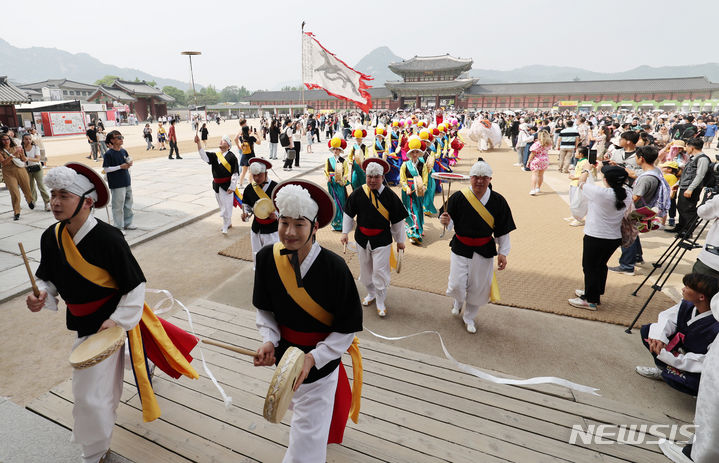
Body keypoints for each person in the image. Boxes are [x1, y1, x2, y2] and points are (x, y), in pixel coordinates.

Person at [26, 163, 198, 463]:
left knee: (92, 396)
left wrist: (117, 322)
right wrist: (42, 293)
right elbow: (49, 277)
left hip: (109, 325)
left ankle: (94, 452)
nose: (54, 202)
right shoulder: (50, 236)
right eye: (53, 195)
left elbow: (134, 286)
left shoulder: (109, 238)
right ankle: (139, 355)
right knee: (107, 379)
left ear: (87, 201)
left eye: (63, 195)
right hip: (83, 323)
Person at [252, 179, 363, 463]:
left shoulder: (335, 269)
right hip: (284, 360)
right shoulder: (266, 258)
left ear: (314, 227)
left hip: (320, 366)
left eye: (299, 224)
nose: (289, 232)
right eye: (284, 222)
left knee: (306, 443)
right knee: (298, 416)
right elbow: (265, 311)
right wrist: (268, 340)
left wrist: (315, 358)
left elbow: (345, 329)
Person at [439, 160, 516, 333]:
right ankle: (458, 301)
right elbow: (446, 218)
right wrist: (445, 220)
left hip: (484, 250)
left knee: (478, 287)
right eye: (475, 177)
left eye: (483, 178)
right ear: (470, 178)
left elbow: (503, 230)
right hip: (461, 247)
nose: (479, 181)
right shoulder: (459, 196)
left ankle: (469, 317)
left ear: (490, 179)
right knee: (457, 284)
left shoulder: (498, 201)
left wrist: (503, 253)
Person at [341, 158, 408, 317]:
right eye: (369, 177)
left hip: (382, 240)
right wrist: (345, 233)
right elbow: (349, 214)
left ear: (382, 177)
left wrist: (400, 241)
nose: (372, 180)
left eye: (376, 177)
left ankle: (380, 300)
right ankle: (371, 293)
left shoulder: (390, 196)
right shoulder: (358, 193)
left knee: (380, 271)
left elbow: (398, 221)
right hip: (362, 239)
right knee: (365, 270)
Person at [636, 272, 719, 397]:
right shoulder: (688, 304)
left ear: (701, 297)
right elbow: (667, 318)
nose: (683, 289)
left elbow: (707, 362)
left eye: (688, 287)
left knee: (689, 382)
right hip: (681, 352)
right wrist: (659, 338)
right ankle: (663, 369)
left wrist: (673, 359)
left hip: (695, 364)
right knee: (649, 332)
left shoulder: (715, 324)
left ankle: (702, 397)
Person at [568, 165, 632, 310]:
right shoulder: (627, 193)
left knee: (590, 267)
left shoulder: (601, 193)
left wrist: (585, 170)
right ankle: (594, 292)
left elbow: (581, 183)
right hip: (613, 238)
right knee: (600, 266)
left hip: (596, 236)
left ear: (605, 180)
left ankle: (591, 300)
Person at [609, 145, 670, 276]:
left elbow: (635, 197)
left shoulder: (645, 178)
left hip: (637, 209)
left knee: (627, 234)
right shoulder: (655, 171)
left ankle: (627, 265)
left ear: (641, 158)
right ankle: (637, 256)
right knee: (634, 232)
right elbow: (634, 174)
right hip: (647, 208)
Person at [194, 133, 238, 234]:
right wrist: (198, 143)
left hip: (227, 186)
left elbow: (235, 173)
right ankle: (228, 222)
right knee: (222, 205)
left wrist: (233, 186)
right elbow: (204, 156)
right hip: (217, 185)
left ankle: (225, 225)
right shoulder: (215, 155)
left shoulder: (232, 157)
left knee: (227, 206)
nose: (221, 141)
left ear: (228, 145)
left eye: (223, 140)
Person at [666, 138, 711, 235]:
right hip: (685, 186)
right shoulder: (692, 158)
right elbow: (686, 174)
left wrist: (690, 189)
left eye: (687, 146)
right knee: (681, 207)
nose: (686, 148)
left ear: (692, 147)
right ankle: (681, 227)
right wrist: (677, 184)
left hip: (692, 188)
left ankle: (687, 231)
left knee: (688, 209)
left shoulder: (702, 159)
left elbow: (700, 175)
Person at [241, 158, 279, 264]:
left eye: (259, 175)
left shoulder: (276, 188)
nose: (256, 178)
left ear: (266, 173)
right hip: (256, 228)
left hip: (273, 230)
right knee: (257, 254)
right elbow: (246, 205)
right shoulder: (249, 188)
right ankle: (258, 274)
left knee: (273, 256)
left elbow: (284, 209)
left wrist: (276, 215)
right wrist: (246, 214)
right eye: (254, 176)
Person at [102, 131, 136, 233]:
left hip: (126, 180)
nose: (121, 139)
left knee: (128, 203)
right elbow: (106, 169)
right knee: (118, 206)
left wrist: (129, 163)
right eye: (118, 137)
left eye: (121, 137)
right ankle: (118, 227)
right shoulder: (108, 154)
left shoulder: (123, 151)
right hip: (117, 183)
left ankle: (128, 223)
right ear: (112, 140)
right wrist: (120, 167)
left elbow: (127, 160)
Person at [400, 136, 429, 245]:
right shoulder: (405, 165)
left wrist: (424, 187)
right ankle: (413, 231)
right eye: (413, 152)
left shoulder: (423, 165)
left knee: (418, 209)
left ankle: (419, 228)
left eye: (417, 152)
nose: (415, 154)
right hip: (408, 190)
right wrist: (406, 187)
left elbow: (425, 179)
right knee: (410, 209)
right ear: (410, 153)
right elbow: (402, 179)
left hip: (419, 189)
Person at [1, 133, 34, 220]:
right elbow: (3, 163)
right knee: (14, 192)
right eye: (3, 140)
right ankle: (17, 211)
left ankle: (29, 199)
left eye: (7, 139)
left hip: (20, 170)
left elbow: (23, 160)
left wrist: (22, 154)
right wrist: (12, 155)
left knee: (27, 188)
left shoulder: (15, 148)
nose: (6, 141)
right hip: (8, 173)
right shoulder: (1, 150)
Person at [324, 136, 349, 231]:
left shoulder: (344, 161)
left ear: (340, 150)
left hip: (339, 184)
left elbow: (346, 173)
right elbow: (326, 171)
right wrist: (328, 178)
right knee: (333, 202)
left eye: (337, 149)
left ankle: (342, 223)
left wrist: (342, 181)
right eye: (334, 149)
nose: (335, 151)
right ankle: (334, 223)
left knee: (341, 202)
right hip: (332, 184)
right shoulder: (328, 160)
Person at [21, 132, 50, 210]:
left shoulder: (35, 147)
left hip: (37, 168)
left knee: (41, 185)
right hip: (27, 169)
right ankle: (33, 200)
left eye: (30, 139)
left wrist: (28, 159)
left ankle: (47, 202)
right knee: (31, 186)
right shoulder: (20, 148)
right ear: (23, 140)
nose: (28, 140)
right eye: (26, 139)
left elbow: (37, 159)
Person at [527, 130, 551, 195]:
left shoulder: (537, 144)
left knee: (534, 174)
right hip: (545, 159)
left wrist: (528, 161)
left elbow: (532, 154)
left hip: (536, 159)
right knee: (541, 175)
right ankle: (538, 188)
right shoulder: (549, 143)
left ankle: (533, 189)